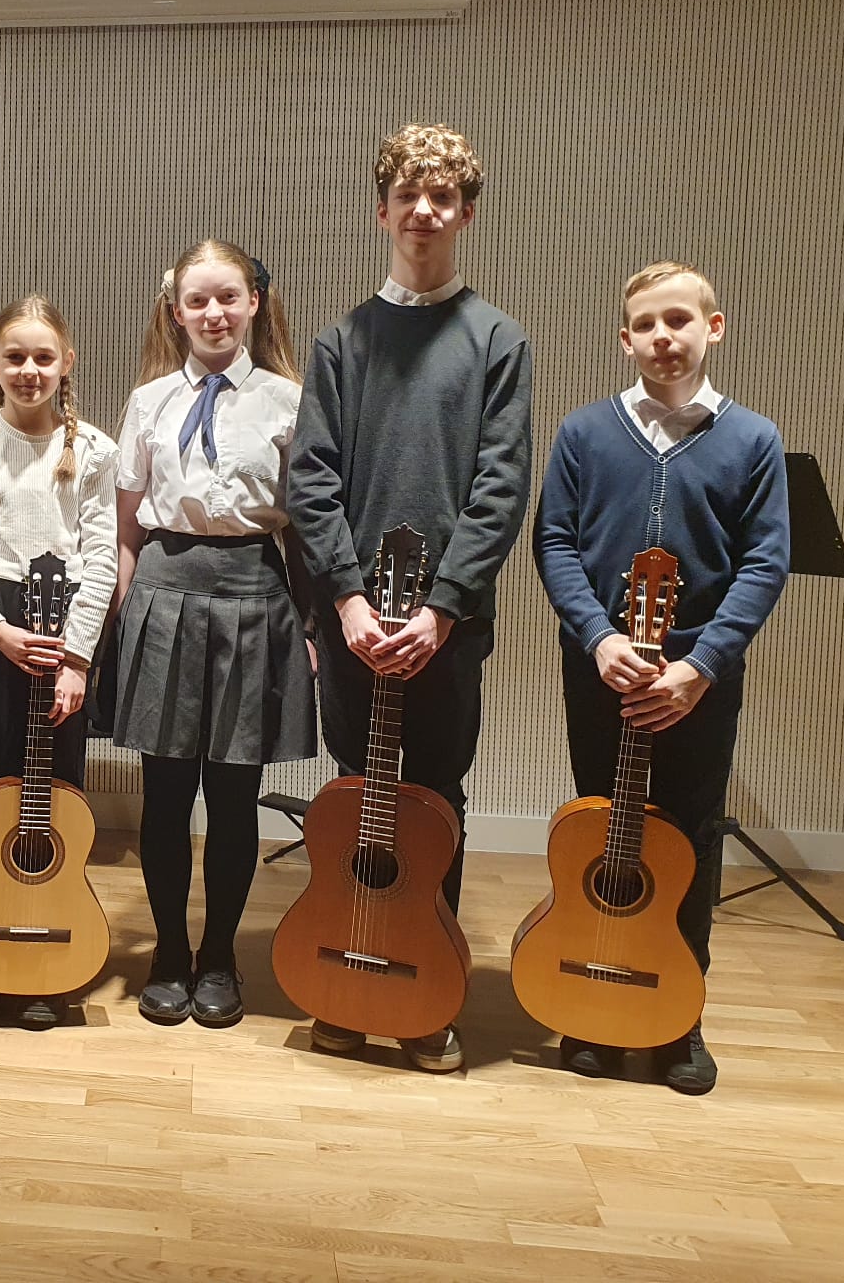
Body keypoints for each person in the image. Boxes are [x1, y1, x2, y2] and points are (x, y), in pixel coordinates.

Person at [287, 122, 533, 1073]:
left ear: (465, 214)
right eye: (407, 196)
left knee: (432, 805)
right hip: (354, 625)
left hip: (446, 629)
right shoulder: (341, 342)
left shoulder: (496, 341)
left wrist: (442, 608)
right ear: (381, 211)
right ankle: (347, 984)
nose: (424, 211)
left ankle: (428, 996)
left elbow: (501, 486)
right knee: (359, 794)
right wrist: (349, 602)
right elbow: (311, 480)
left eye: (443, 198)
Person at [534, 260, 789, 1096]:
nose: (662, 336)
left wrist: (700, 666)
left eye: (678, 320)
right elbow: (555, 541)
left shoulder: (753, 439)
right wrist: (598, 637)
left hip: (695, 683)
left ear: (714, 328)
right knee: (603, 831)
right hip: (601, 672)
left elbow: (764, 563)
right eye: (645, 324)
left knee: (689, 840)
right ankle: (592, 1001)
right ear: (625, 339)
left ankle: (681, 1014)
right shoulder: (584, 432)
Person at [112, 240, 316, 1031]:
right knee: (165, 794)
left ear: (254, 302)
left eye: (228, 296)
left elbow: (303, 530)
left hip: (252, 595)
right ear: (176, 311)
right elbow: (126, 531)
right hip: (164, 594)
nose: (213, 313)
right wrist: (122, 622)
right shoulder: (149, 402)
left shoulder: (290, 403)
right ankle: (169, 952)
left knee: (233, 795)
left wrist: (308, 628)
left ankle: (221, 956)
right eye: (197, 300)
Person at [0, 294, 117, 1029]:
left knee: (57, 791)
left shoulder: (92, 451)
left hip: (64, 625)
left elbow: (102, 559)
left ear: (67, 363)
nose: (29, 370)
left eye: (43, 357)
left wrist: (77, 660)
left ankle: (49, 951)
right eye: (15, 357)